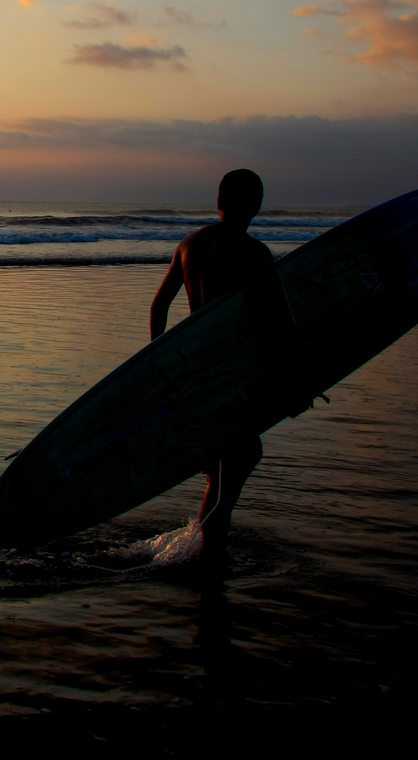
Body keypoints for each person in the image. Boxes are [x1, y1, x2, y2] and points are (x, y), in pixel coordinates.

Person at [149, 168, 276, 569]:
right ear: (255, 205)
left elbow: (159, 305)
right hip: (229, 374)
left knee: (228, 463)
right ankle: (210, 555)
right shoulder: (253, 252)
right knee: (237, 460)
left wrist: (160, 359)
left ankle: (208, 548)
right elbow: (277, 323)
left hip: (194, 372)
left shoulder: (190, 244)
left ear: (218, 201)